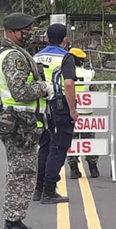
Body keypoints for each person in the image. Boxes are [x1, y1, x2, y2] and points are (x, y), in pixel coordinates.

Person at [0, 13, 54, 229]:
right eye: (27, 30)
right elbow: (20, 91)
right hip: (19, 125)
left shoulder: (13, 53)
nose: (31, 34)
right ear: (13, 32)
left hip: (21, 123)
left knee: (23, 173)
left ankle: (16, 222)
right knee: (21, 175)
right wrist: (44, 87)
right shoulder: (13, 57)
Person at [32, 24, 79, 204]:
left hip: (40, 107)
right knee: (59, 148)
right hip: (58, 106)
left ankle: (38, 188)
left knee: (44, 146)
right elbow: (68, 84)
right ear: (65, 40)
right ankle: (49, 191)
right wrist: (72, 110)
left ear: (46, 38)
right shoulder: (66, 57)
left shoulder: (36, 56)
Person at [67, 48, 100, 179]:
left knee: (71, 141)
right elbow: (95, 92)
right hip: (86, 113)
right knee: (88, 141)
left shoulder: (65, 73)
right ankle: (93, 169)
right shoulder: (88, 73)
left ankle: (74, 169)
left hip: (70, 112)